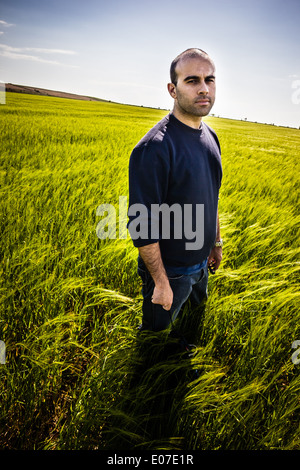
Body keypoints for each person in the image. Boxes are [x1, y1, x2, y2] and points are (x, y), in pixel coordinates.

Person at [128, 48, 223, 333]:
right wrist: (160, 282)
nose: (204, 88)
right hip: (171, 272)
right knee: (156, 339)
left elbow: (212, 194)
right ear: (173, 89)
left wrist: (215, 243)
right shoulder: (154, 148)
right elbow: (142, 226)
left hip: (202, 265)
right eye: (192, 80)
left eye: (210, 79)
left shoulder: (211, 136)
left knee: (190, 329)